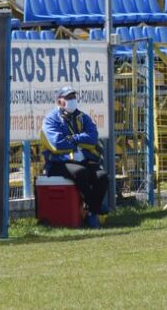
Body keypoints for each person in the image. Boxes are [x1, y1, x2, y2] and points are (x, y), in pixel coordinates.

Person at [40, 86, 108, 228]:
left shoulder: (83, 117)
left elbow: (92, 138)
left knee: (102, 176)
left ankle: (91, 211)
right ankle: (94, 207)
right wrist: (79, 142)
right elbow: (57, 144)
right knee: (81, 172)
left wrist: (73, 138)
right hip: (59, 162)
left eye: (73, 97)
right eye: (68, 98)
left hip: (83, 159)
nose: (72, 100)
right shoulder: (50, 120)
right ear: (59, 101)